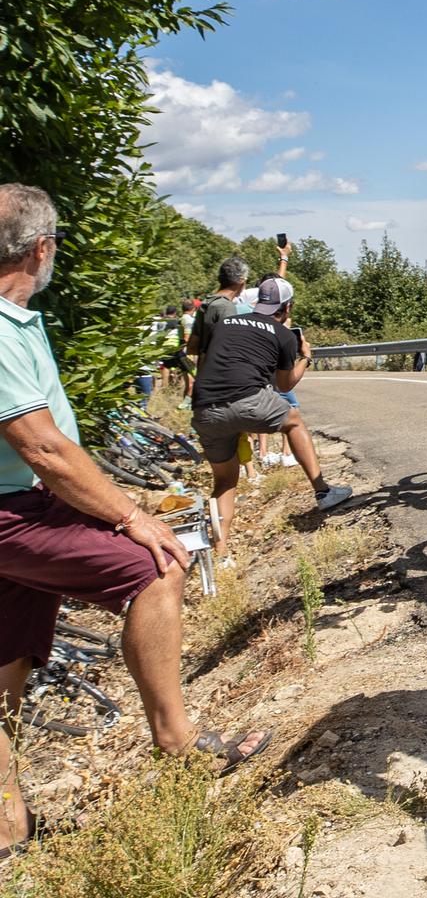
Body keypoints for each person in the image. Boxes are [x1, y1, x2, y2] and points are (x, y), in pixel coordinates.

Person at [0, 186, 270, 837]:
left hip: (23, 510)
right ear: (41, 248)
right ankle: (178, 743)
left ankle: (9, 829)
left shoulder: (15, 323)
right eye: (55, 245)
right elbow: (42, 445)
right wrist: (130, 518)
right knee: (154, 569)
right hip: (16, 513)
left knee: (5, 668)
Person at [191, 276, 353, 553]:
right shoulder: (284, 335)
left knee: (225, 481)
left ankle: (221, 552)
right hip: (248, 399)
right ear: (287, 308)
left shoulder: (225, 323)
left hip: (205, 408)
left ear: (258, 302)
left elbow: (205, 356)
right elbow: (284, 384)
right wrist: (305, 357)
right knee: (293, 420)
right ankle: (323, 491)